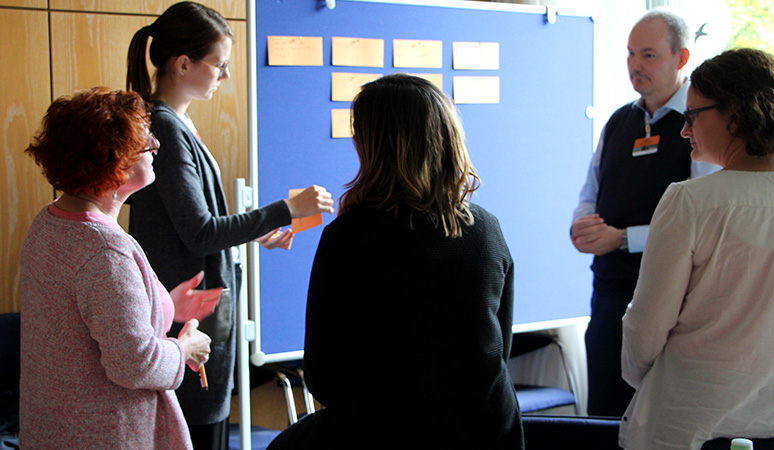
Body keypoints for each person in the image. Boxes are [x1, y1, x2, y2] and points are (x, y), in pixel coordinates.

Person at [619, 48, 774, 449]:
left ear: (736, 113)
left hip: (687, 424)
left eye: (692, 115)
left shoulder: (690, 202)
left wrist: (649, 376)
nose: (684, 130)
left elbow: (646, 332)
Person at [266, 74, 524, 450]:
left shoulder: (348, 237)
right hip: (489, 432)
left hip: (384, 433)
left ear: (373, 146)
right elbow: (498, 350)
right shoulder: (487, 229)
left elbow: (324, 378)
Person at [125, 3, 335, 449]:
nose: (225, 77)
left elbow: (195, 220)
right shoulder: (166, 127)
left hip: (192, 311)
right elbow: (200, 232)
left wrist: (255, 231)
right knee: (198, 433)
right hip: (187, 316)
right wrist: (285, 209)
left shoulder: (175, 124)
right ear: (183, 64)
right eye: (219, 65)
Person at [19, 87, 219, 449]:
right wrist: (184, 349)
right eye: (147, 143)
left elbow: (88, 314)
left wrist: (161, 304)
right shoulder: (104, 250)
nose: (157, 147)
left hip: (56, 429)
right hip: (102, 434)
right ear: (114, 163)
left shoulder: (48, 222)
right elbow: (135, 365)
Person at [569, 8, 718, 416]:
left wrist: (621, 238)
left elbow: (702, 223)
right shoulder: (620, 121)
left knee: (658, 420)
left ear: (682, 58)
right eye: (631, 54)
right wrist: (584, 224)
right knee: (605, 415)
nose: (636, 65)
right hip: (608, 297)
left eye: (649, 55)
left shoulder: (701, 126)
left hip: (670, 302)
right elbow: (590, 190)